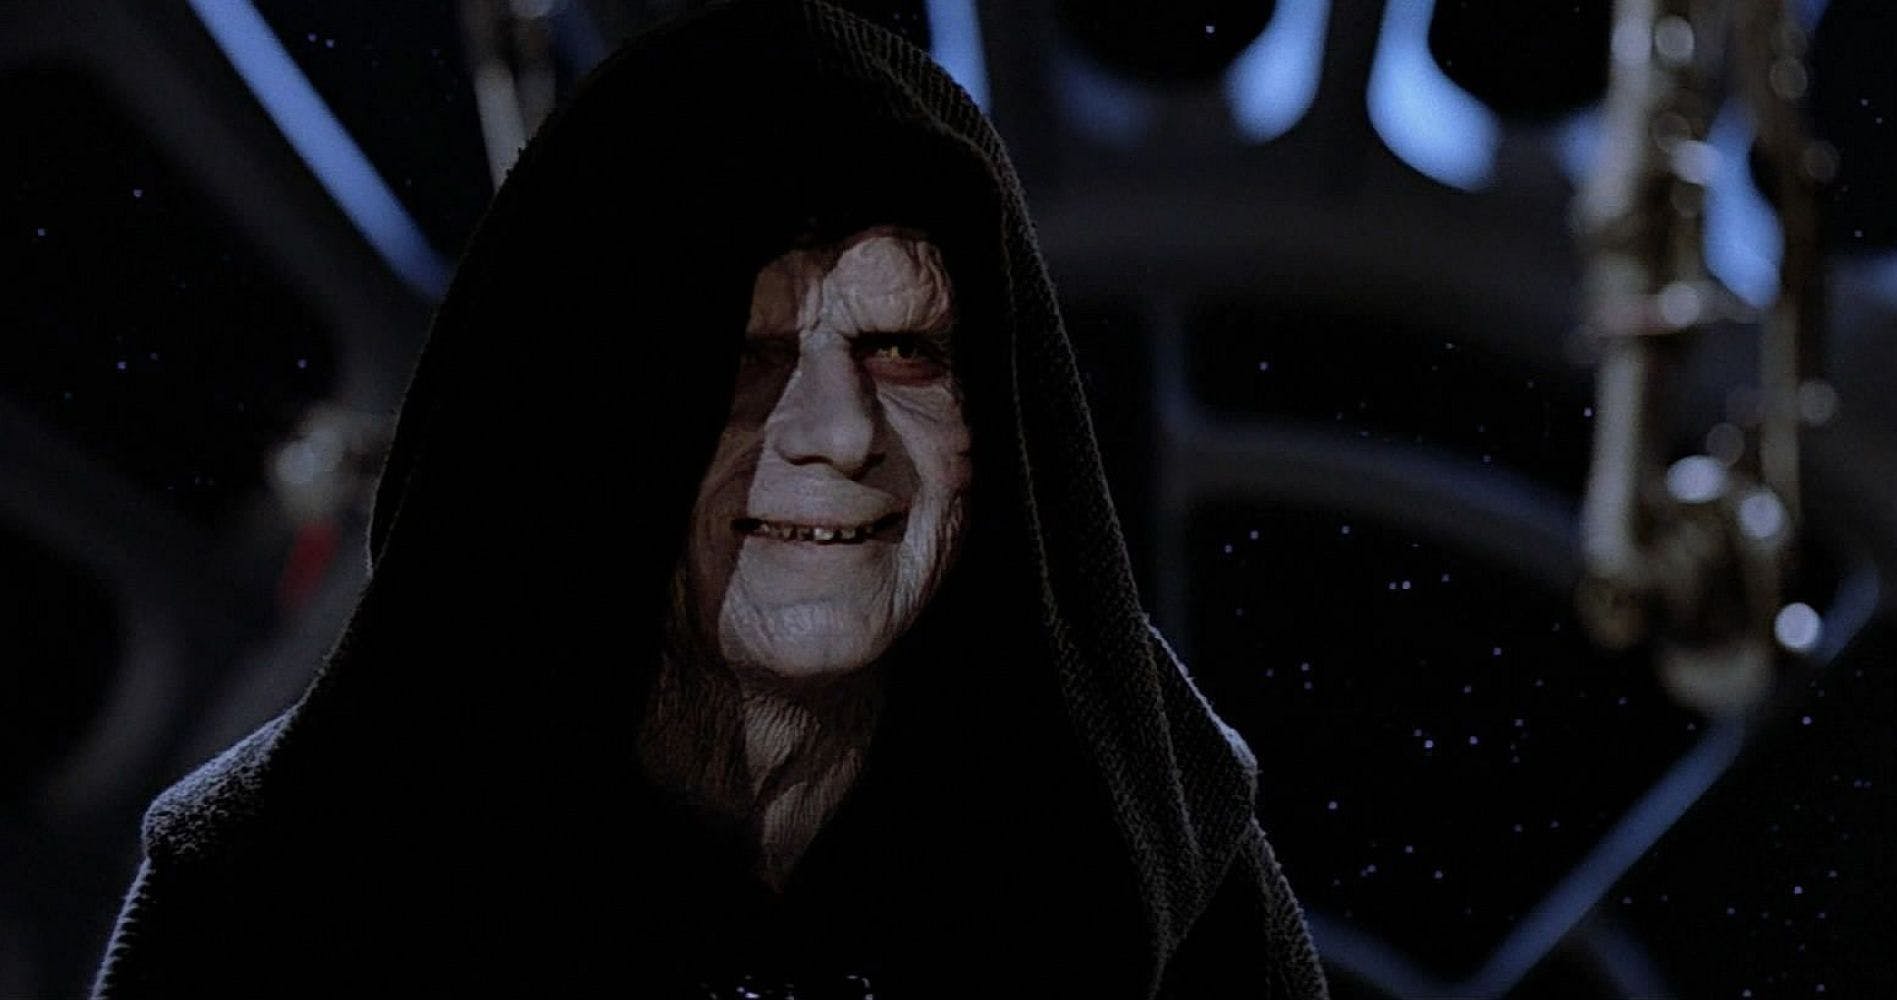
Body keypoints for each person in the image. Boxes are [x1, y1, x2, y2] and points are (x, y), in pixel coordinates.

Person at [92, 1, 1330, 996]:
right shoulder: (271, 898)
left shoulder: (1154, 847)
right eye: (742, 358)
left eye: (905, 351)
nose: (839, 431)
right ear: (593, 416)